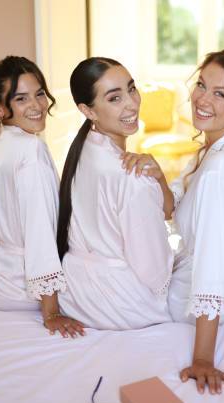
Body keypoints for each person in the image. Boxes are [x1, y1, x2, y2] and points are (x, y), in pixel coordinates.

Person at [123, 49, 224, 394]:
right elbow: (174, 206)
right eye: (202, 85)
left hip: (218, 299)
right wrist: (159, 177)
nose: (202, 99)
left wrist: (203, 358)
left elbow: (212, 262)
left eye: (220, 94)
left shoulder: (219, 171)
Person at [0, 56, 84, 338]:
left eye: (39, 93)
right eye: (21, 99)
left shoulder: (1, 144)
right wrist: (52, 311)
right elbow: (39, 232)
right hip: (17, 287)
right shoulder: (30, 151)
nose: (37, 106)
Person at [56, 57, 173, 330]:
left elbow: (167, 209)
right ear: (88, 111)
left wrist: (161, 179)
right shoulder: (131, 177)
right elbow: (153, 270)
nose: (132, 103)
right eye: (115, 98)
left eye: (131, 89)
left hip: (76, 293)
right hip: (121, 304)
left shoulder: (83, 149)